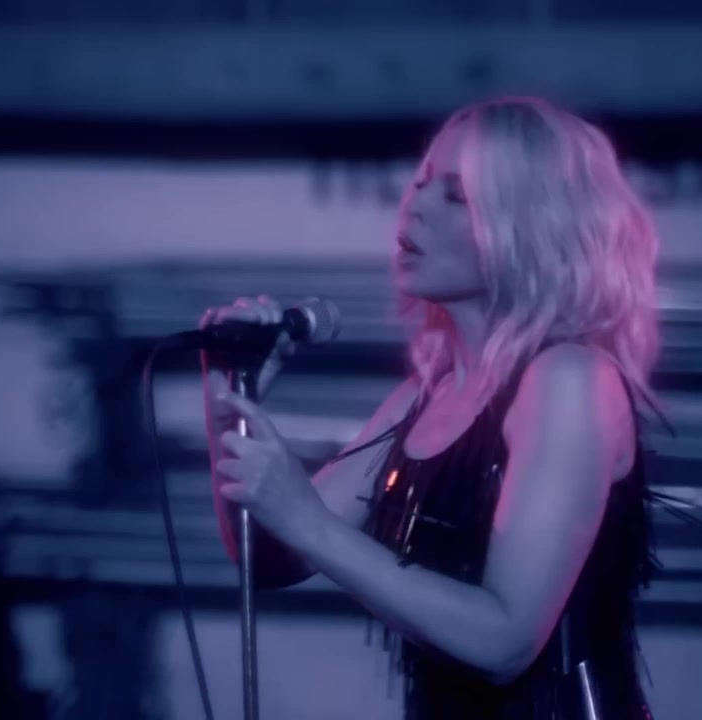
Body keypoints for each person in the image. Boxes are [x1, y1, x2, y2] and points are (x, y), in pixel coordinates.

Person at [201, 95, 663, 719]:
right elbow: (269, 559)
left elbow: (504, 640)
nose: (413, 206)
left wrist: (304, 516)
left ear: (529, 226)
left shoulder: (569, 379)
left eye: (456, 196)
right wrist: (231, 395)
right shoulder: (425, 398)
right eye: (419, 184)